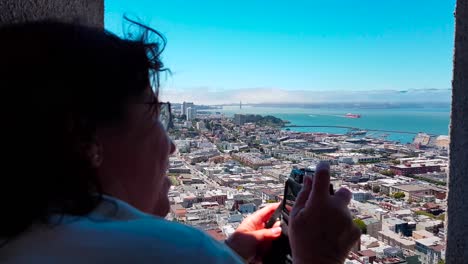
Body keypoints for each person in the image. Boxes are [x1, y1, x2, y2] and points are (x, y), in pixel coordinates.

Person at [0, 20, 360, 263]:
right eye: (155, 116)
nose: (171, 146)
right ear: (84, 139)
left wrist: (230, 252)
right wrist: (319, 257)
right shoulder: (171, 252)